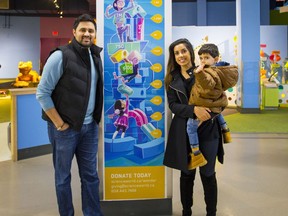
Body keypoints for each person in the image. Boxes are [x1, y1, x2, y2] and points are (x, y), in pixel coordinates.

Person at [36, 14, 104, 216]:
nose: (87, 33)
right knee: (63, 178)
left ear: (94, 34)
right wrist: (59, 123)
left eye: (91, 30)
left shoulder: (95, 55)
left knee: (90, 176)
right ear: (74, 32)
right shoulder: (60, 56)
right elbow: (42, 92)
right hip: (64, 130)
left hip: (89, 128)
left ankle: (92, 213)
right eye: (83, 30)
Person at [163, 38, 224, 216]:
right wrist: (193, 110)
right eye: (177, 53)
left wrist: (210, 114)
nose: (181, 55)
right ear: (173, 57)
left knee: (208, 174)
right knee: (187, 174)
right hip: (183, 131)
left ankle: (211, 212)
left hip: (208, 129)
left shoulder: (207, 72)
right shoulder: (171, 79)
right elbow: (173, 105)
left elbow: (220, 100)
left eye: (183, 51)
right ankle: (186, 211)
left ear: (190, 52)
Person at [187, 43, 238, 170]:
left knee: (190, 128)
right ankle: (225, 130)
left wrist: (199, 73)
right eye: (201, 58)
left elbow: (207, 84)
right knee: (217, 112)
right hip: (213, 106)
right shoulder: (219, 70)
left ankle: (196, 153)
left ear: (215, 59)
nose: (203, 60)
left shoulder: (209, 72)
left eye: (206, 57)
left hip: (204, 105)